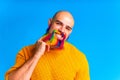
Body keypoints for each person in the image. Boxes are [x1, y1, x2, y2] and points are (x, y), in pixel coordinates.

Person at [5, 10, 90, 80]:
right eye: (58, 23)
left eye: (68, 28)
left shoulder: (79, 58)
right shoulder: (26, 52)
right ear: (50, 23)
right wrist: (37, 55)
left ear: (70, 32)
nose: (62, 30)